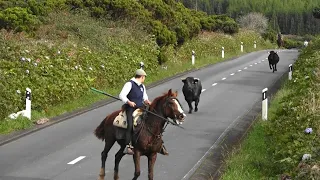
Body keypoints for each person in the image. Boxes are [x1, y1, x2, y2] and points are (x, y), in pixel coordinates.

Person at [119, 69, 169, 156]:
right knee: (130, 125)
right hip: (131, 109)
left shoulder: (142, 86)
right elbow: (121, 95)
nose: (144, 79)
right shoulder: (129, 84)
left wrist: (147, 101)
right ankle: (128, 146)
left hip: (142, 107)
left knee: (154, 120)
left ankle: (159, 143)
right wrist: (129, 102)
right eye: (144, 77)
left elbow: (144, 97)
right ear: (142, 77)